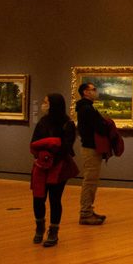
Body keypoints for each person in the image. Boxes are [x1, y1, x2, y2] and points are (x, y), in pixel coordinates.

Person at [29, 94, 78, 247]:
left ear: (53, 104)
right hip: (41, 166)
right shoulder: (43, 122)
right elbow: (34, 142)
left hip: (59, 165)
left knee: (55, 199)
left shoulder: (67, 123)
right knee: (38, 198)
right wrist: (43, 153)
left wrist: (51, 151)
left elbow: (67, 146)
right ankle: (39, 227)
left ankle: (54, 231)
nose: (43, 104)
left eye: (45, 102)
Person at [75, 82, 109, 225]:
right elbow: (100, 128)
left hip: (91, 147)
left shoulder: (85, 108)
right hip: (91, 148)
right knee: (90, 181)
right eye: (93, 89)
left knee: (91, 181)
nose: (96, 91)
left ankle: (88, 210)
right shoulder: (87, 109)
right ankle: (85, 213)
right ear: (85, 92)